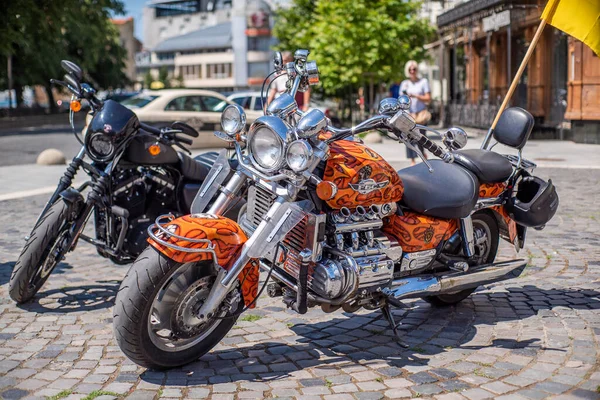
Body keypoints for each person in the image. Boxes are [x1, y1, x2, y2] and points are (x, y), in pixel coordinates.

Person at [399, 60, 432, 165]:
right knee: (408, 137)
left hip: (420, 115)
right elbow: (401, 100)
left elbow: (428, 98)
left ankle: (422, 154)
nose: (412, 71)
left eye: (414, 69)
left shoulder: (423, 82)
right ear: (407, 71)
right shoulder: (405, 84)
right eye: (410, 69)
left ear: (417, 70)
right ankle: (412, 160)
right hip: (409, 114)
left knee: (420, 137)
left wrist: (416, 96)